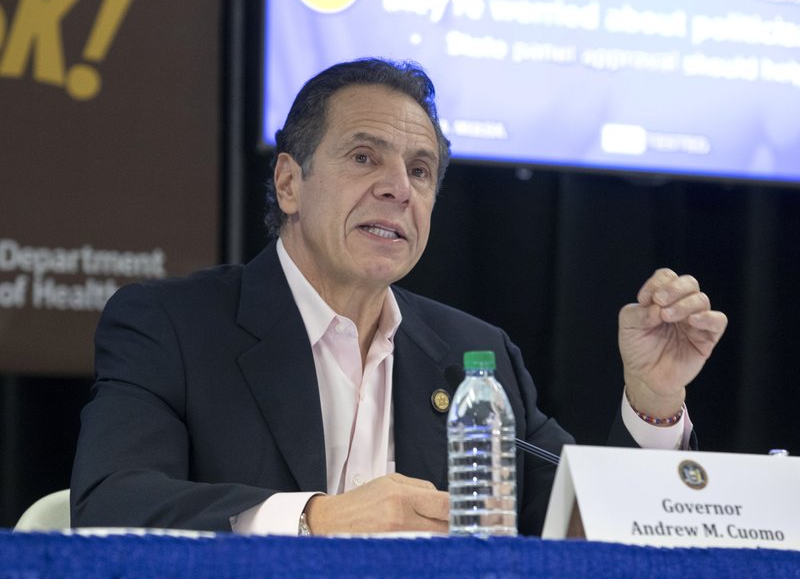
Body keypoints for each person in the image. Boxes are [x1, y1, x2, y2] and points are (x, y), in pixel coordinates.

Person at [70, 58, 728, 536]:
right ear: (290, 183)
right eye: (364, 157)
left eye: (420, 170)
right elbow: (110, 503)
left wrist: (654, 400)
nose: (398, 189)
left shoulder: (475, 356)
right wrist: (318, 518)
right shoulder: (172, 327)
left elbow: (591, 523)